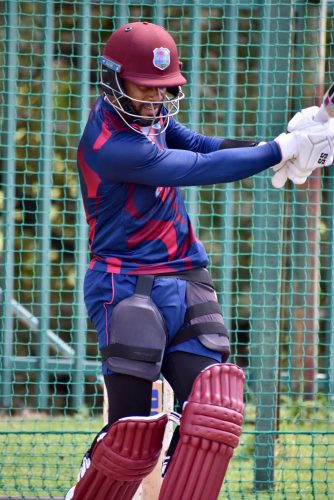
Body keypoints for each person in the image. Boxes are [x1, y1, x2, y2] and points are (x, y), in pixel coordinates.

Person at [66, 21, 334, 500]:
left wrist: (279, 146)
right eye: (144, 87)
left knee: (214, 411)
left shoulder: (152, 120)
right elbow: (196, 169)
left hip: (185, 274)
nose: (154, 99)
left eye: (163, 89)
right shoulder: (110, 144)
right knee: (130, 438)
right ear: (113, 81)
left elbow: (205, 147)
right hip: (124, 283)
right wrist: (282, 151)